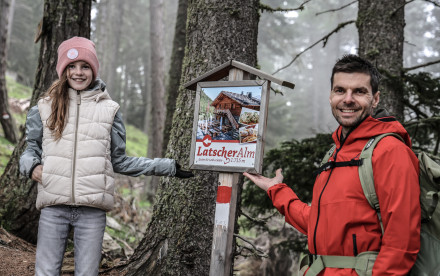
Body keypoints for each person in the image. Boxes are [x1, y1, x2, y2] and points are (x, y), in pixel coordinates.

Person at [19, 36, 194, 276]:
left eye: (85, 66)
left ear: (93, 69)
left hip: (92, 210)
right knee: (46, 272)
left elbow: (120, 161)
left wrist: (167, 166)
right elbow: (30, 149)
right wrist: (31, 166)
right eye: (72, 66)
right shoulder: (43, 107)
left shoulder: (110, 110)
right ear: (63, 70)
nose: (78, 73)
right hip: (53, 207)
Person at [244, 54, 421, 275]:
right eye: (340, 90)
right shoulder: (334, 154)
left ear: (375, 99)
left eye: (359, 91)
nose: (348, 99)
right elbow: (321, 223)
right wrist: (276, 190)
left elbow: (402, 244)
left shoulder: (390, 151)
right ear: (330, 96)